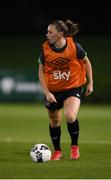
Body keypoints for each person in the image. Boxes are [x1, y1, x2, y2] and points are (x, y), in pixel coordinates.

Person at [38, 19, 93, 161]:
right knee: (55, 121)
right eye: (47, 32)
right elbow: (40, 72)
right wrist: (47, 92)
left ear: (60, 34)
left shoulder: (74, 47)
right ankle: (57, 151)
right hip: (54, 90)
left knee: (70, 116)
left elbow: (87, 62)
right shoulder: (45, 50)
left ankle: (74, 147)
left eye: (50, 32)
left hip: (73, 87)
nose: (47, 35)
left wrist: (90, 83)